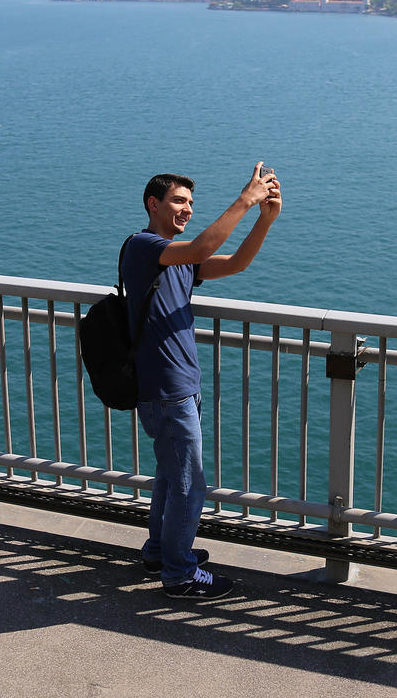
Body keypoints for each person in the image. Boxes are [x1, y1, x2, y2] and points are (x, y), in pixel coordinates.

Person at [120, 163, 281, 599]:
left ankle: (160, 551)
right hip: (166, 389)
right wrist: (245, 200)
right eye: (178, 201)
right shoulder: (144, 247)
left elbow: (236, 263)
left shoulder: (177, 258)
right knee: (191, 485)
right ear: (154, 204)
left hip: (177, 386)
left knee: (172, 478)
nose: (186, 209)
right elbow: (201, 248)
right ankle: (180, 574)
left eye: (191, 203)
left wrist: (264, 220)